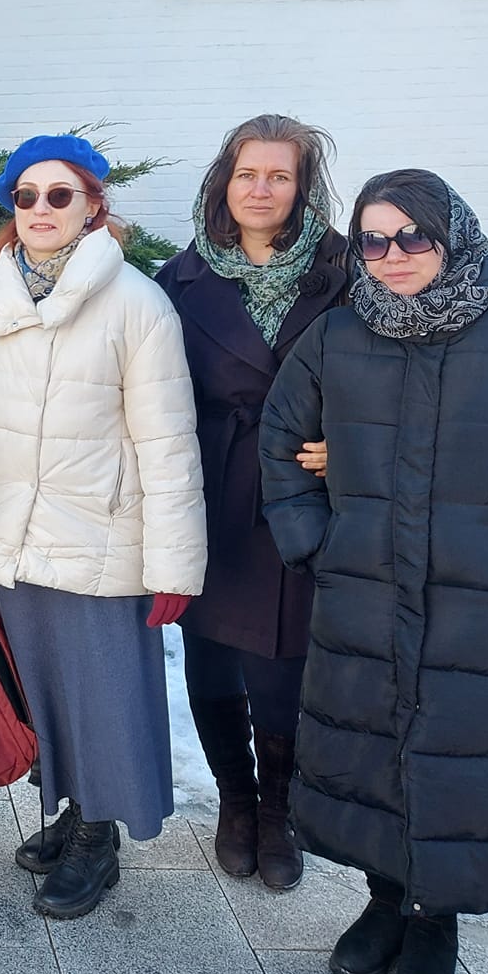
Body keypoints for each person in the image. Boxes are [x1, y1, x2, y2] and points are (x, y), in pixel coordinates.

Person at [260, 169, 488, 974]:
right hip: (364, 590)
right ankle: (386, 901)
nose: (394, 255)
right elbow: (282, 443)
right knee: (371, 749)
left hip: (481, 600)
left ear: (452, 236)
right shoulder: (338, 335)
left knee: (460, 758)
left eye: (412, 235)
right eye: (374, 239)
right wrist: (316, 542)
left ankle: (437, 921)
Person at [0, 135, 206, 919]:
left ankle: (98, 838)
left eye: (60, 194)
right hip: (9, 535)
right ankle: (70, 812)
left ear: (93, 206)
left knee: (102, 695)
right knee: (44, 692)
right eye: (26, 195)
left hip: (99, 535)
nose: (41, 209)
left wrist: (175, 565)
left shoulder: (137, 303)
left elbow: (168, 443)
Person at [155, 115, 347, 891]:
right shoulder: (180, 279)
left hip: (302, 497)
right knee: (211, 666)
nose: (260, 190)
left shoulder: (347, 271)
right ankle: (235, 800)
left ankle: (278, 810)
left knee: (283, 672)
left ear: (302, 186)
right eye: (247, 174)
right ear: (223, 183)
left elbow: (391, 373)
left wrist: (352, 441)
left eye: (278, 175)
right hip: (210, 491)